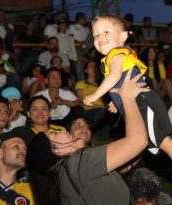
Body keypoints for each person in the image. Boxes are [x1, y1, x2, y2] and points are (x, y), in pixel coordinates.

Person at [83, 15, 172, 203]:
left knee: (161, 141)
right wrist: (115, 101)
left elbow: (115, 75)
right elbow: (122, 81)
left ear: (123, 36)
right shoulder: (119, 56)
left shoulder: (115, 54)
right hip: (146, 101)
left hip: (142, 103)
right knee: (169, 139)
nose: (100, 38)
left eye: (106, 32)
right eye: (95, 35)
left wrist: (95, 95)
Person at [26, 69, 149, 205]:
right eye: (54, 134)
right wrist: (128, 97)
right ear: (57, 151)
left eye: (86, 126)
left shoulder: (68, 172)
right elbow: (138, 141)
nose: (60, 131)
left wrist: (125, 109)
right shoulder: (78, 161)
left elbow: (128, 158)